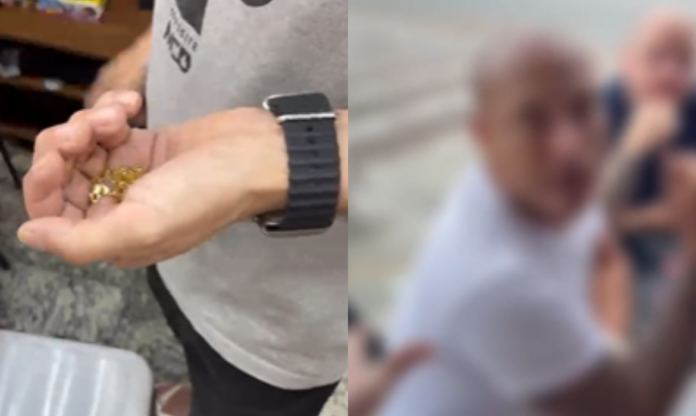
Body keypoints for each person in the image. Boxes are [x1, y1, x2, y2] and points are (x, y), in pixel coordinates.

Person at [19, 1, 347, 415]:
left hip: (285, 312)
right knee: (187, 334)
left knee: (241, 397)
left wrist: (282, 158)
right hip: (176, 223)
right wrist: (152, 43)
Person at [378, 32, 696, 416]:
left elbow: (590, 223)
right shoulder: (493, 280)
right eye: (533, 120)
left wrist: (634, 150)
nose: (569, 145)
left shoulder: (507, 185)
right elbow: (637, 408)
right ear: (483, 135)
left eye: (582, 109)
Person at [604, 10, 695, 316]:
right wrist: (632, 149)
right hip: (614, 252)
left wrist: (628, 219)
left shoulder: (691, 110)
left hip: (669, 247)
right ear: (627, 61)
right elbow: (584, 216)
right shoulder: (600, 110)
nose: (671, 72)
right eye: (657, 57)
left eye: (683, 61)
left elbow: (684, 213)